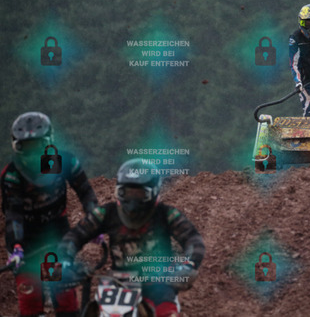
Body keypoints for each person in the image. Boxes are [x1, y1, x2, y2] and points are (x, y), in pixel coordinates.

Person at [58, 159, 205, 317]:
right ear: (119, 191)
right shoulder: (107, 213)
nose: (133, 200)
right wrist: (64, 260)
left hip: (159, 283)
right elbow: (76, 235)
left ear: (153, 192)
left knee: (166, 312)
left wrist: (188, 265)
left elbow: (193, 240)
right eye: (127, 192)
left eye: (139, 193)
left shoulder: (165, 214)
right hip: (120, 282)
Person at [1, 111, 99, 317]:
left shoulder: (65, 162)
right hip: (26, 241)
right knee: (30, 300)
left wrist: (94, 222)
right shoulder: (12, 174)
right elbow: (13, 214)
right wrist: (16, 246)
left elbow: (85, 192)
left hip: (56, 235)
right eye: (26, 147)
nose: (32, 154)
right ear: (17, 146)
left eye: (37, 146)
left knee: (64, 297)